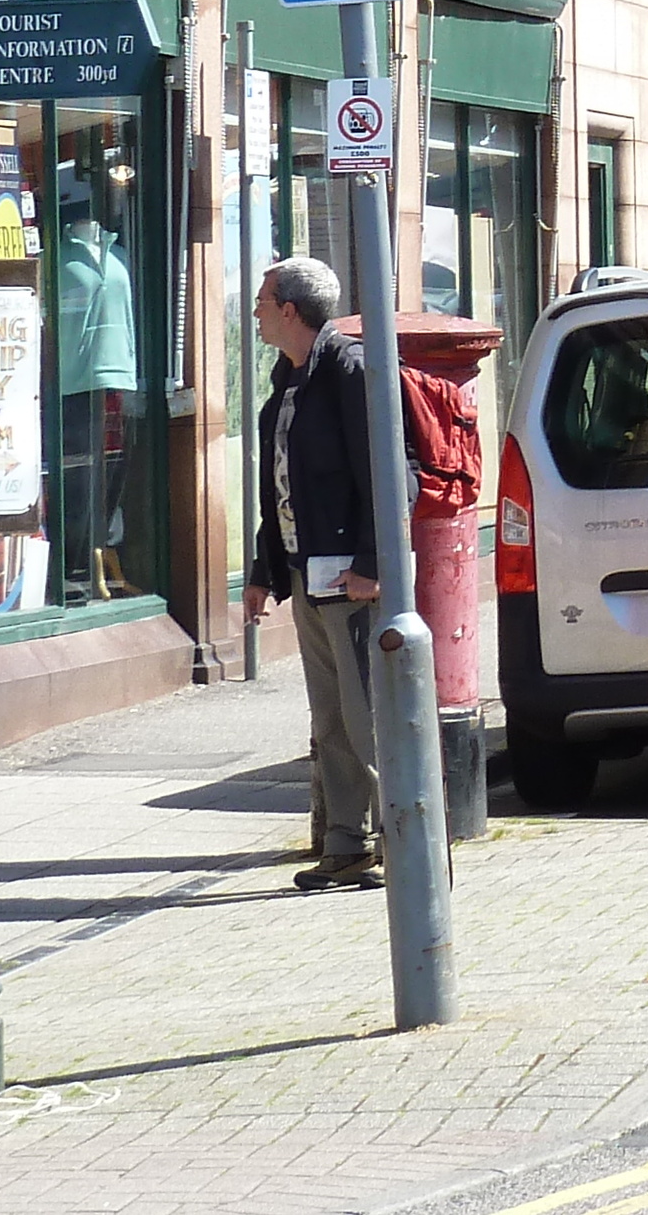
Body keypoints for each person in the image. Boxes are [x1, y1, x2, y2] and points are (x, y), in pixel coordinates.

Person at [242, 257, 382, 890]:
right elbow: (279, 489)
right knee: (330, 720)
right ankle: (346, 844)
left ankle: (403, 840)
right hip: (307, 574)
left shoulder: (348, 372)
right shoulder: (287, 381)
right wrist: (263, 572)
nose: (255, 312)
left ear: (290, 311)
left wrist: (372, 565)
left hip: (351, 576)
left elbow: (387, 475)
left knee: (367, 716)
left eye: (263, 301)